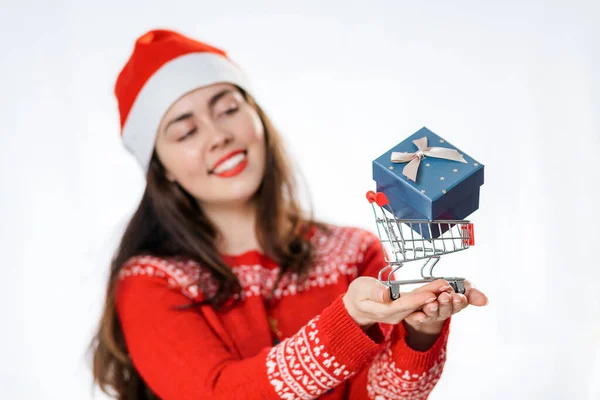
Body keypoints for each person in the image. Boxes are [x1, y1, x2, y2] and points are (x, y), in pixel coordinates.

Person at [90, 28, 488, 400]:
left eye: (228, 109)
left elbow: (380, 395)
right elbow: (217, 393)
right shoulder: (152, 283)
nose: (217, 135)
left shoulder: (353, 252)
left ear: (257, 118)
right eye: (185, 132)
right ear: (163, 170)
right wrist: (345, 321)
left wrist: (421, 330)